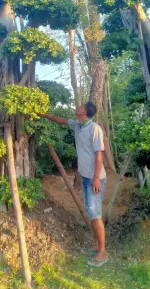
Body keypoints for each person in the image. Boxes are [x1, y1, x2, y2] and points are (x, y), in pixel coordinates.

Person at [41, 101, 109, 267]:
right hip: (86, 177)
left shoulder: (94, 129)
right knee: (91, 211)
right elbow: (61, 120)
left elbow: (99, 154)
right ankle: (96, 245)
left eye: (80, 106)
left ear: (84, 112)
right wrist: (42, 114)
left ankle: (103, 252)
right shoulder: (79, 125)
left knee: (95, 213)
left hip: (95, 179)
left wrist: (95, 177)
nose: (77, 107)